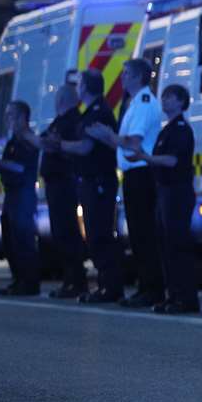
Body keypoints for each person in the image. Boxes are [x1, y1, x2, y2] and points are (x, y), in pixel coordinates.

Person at [86, 59, 164, 308]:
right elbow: (123, 143)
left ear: (140, 76)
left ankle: (151, 289)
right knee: (138, 235)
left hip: (141, 174)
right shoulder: (132, 103)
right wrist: (107, 138)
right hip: (133, 174)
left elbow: (133, 142)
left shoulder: (143, 102)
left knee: (144, 234)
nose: (122, 77)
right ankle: (145, 286)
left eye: (127, 73)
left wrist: (109, 136)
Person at [49, 70, 124, 303]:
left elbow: (85, 148)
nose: (76, 87)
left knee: (100, 234)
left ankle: (110, 287)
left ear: (85, 88)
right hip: (90, 181)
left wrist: (60, 144)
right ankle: (106, 285)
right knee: (94, 234)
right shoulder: (90, 112)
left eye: (79, 83)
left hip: (99, 181)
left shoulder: (99, 112)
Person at [127, 84, 199, 314]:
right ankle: (173, 295)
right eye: (164, 96)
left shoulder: (180, 129)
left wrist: (144, 157)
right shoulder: (166, 130)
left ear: (181, 102)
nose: (164, 100)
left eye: (170, 97)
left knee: (178, 245)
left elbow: (172, 160)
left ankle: (186, 298)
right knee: (166, 245)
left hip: (177, 191)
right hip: (164, 191)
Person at [0, 100, 41, 295]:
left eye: (11, 115)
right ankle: (19, 279)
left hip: (23, 194)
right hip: (12, 194)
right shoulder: (13, 140)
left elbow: (20, 168)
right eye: (7, 115)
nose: (8, 120)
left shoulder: (27, 140)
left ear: (23, 117)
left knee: (23, 239)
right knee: (11, 239)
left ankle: (28, 282)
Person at [39, 83, 88, 298]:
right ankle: (70, 280)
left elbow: (57, 144)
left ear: (61, 100)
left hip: (64, 183)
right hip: (56, 183)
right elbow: (44, 140)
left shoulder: (71, 121)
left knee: (67, 232)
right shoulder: (62, 121)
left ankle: (76, 280)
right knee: (61, 233)